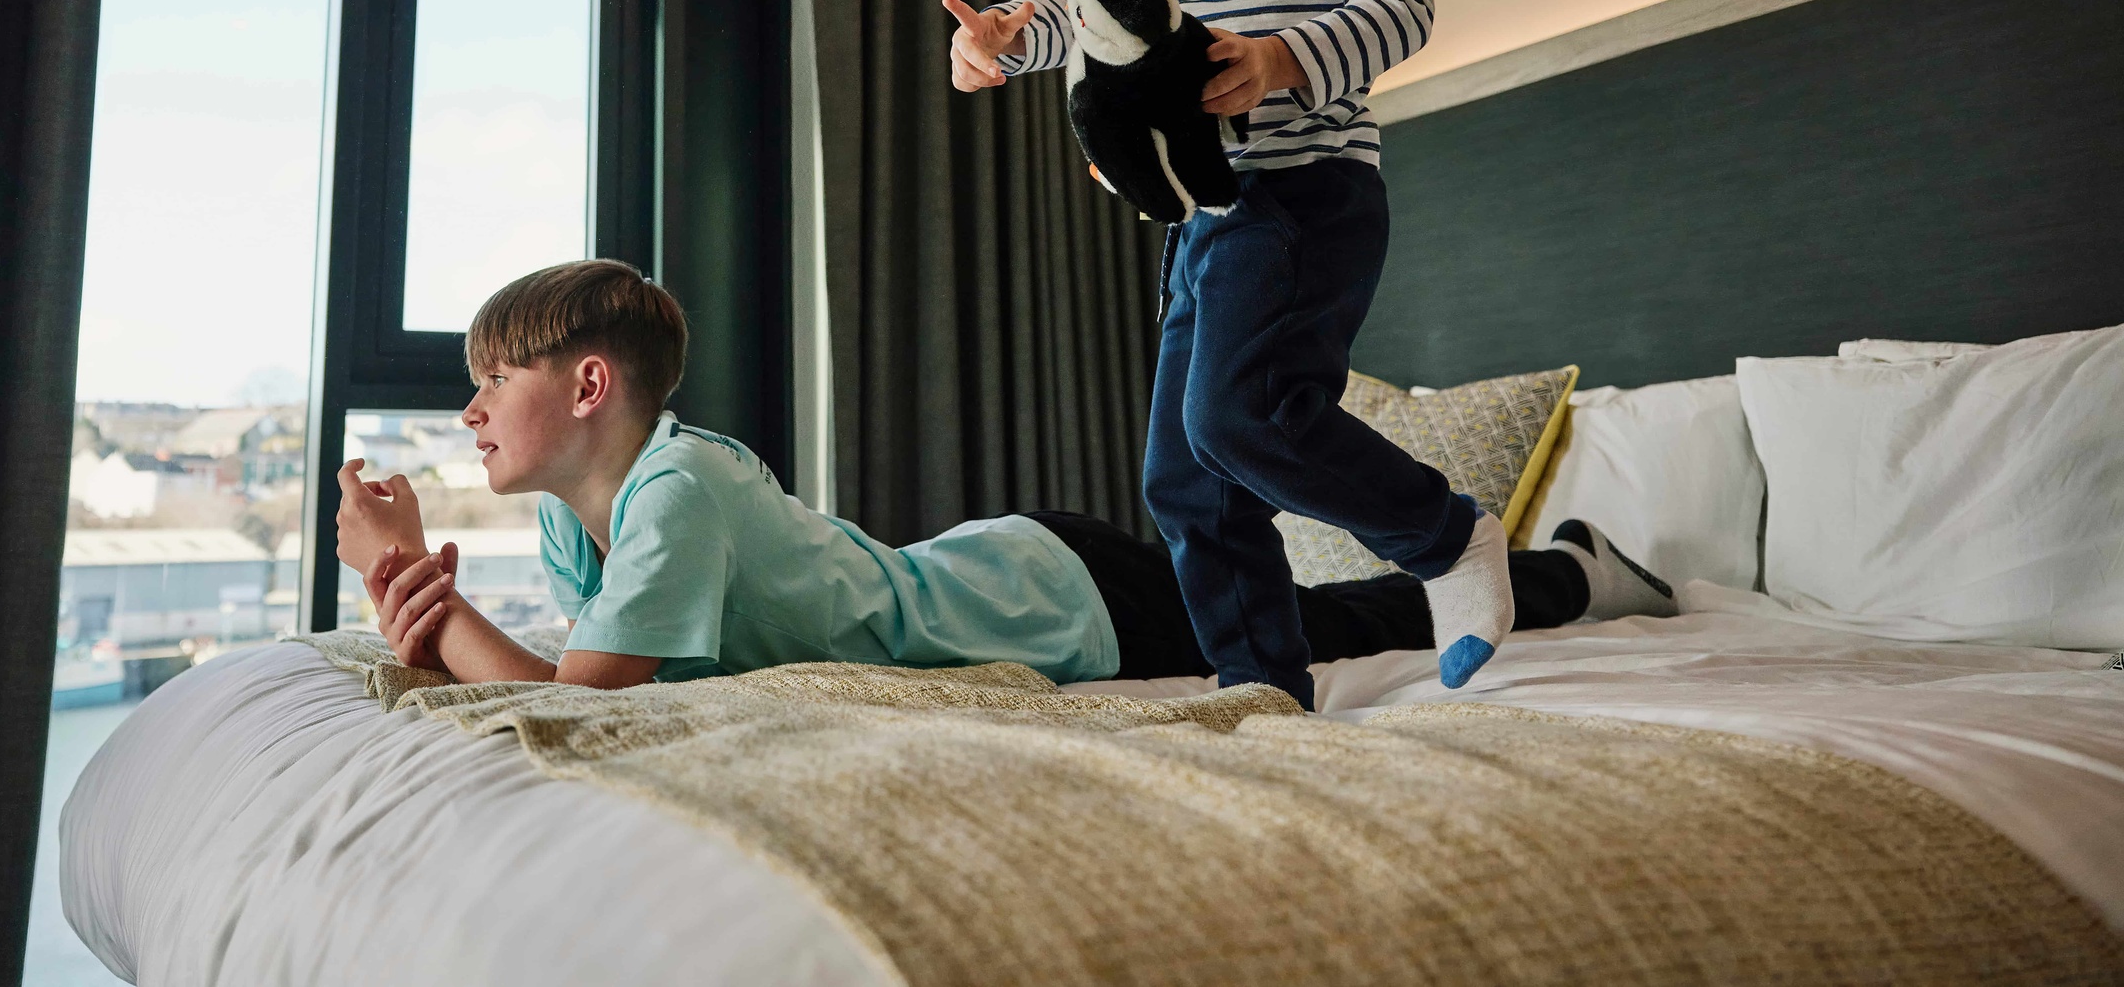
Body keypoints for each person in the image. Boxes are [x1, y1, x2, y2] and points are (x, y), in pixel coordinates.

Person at [941, 0, 1504, 710]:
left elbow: (1400, 2)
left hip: (1305, 194)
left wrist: (1279, 59)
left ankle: (1445, 535)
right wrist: (1011, 31)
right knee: (1185, 479)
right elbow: (1101, 13)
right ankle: (1265, 690)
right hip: (1207, 219)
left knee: (1240, 417)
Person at [334, 260, 1674, 693]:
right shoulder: (590, 521)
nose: (465, 412)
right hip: (1003, 565)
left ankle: (1572, 573)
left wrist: (418, 595)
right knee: (1317, 615)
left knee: (1331, 623)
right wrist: (427, 616)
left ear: (585, 388)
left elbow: (583, 710)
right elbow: (586, 684)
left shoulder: (677, 488)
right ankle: (1550, 569)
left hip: (1055, 596)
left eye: (489, 383)